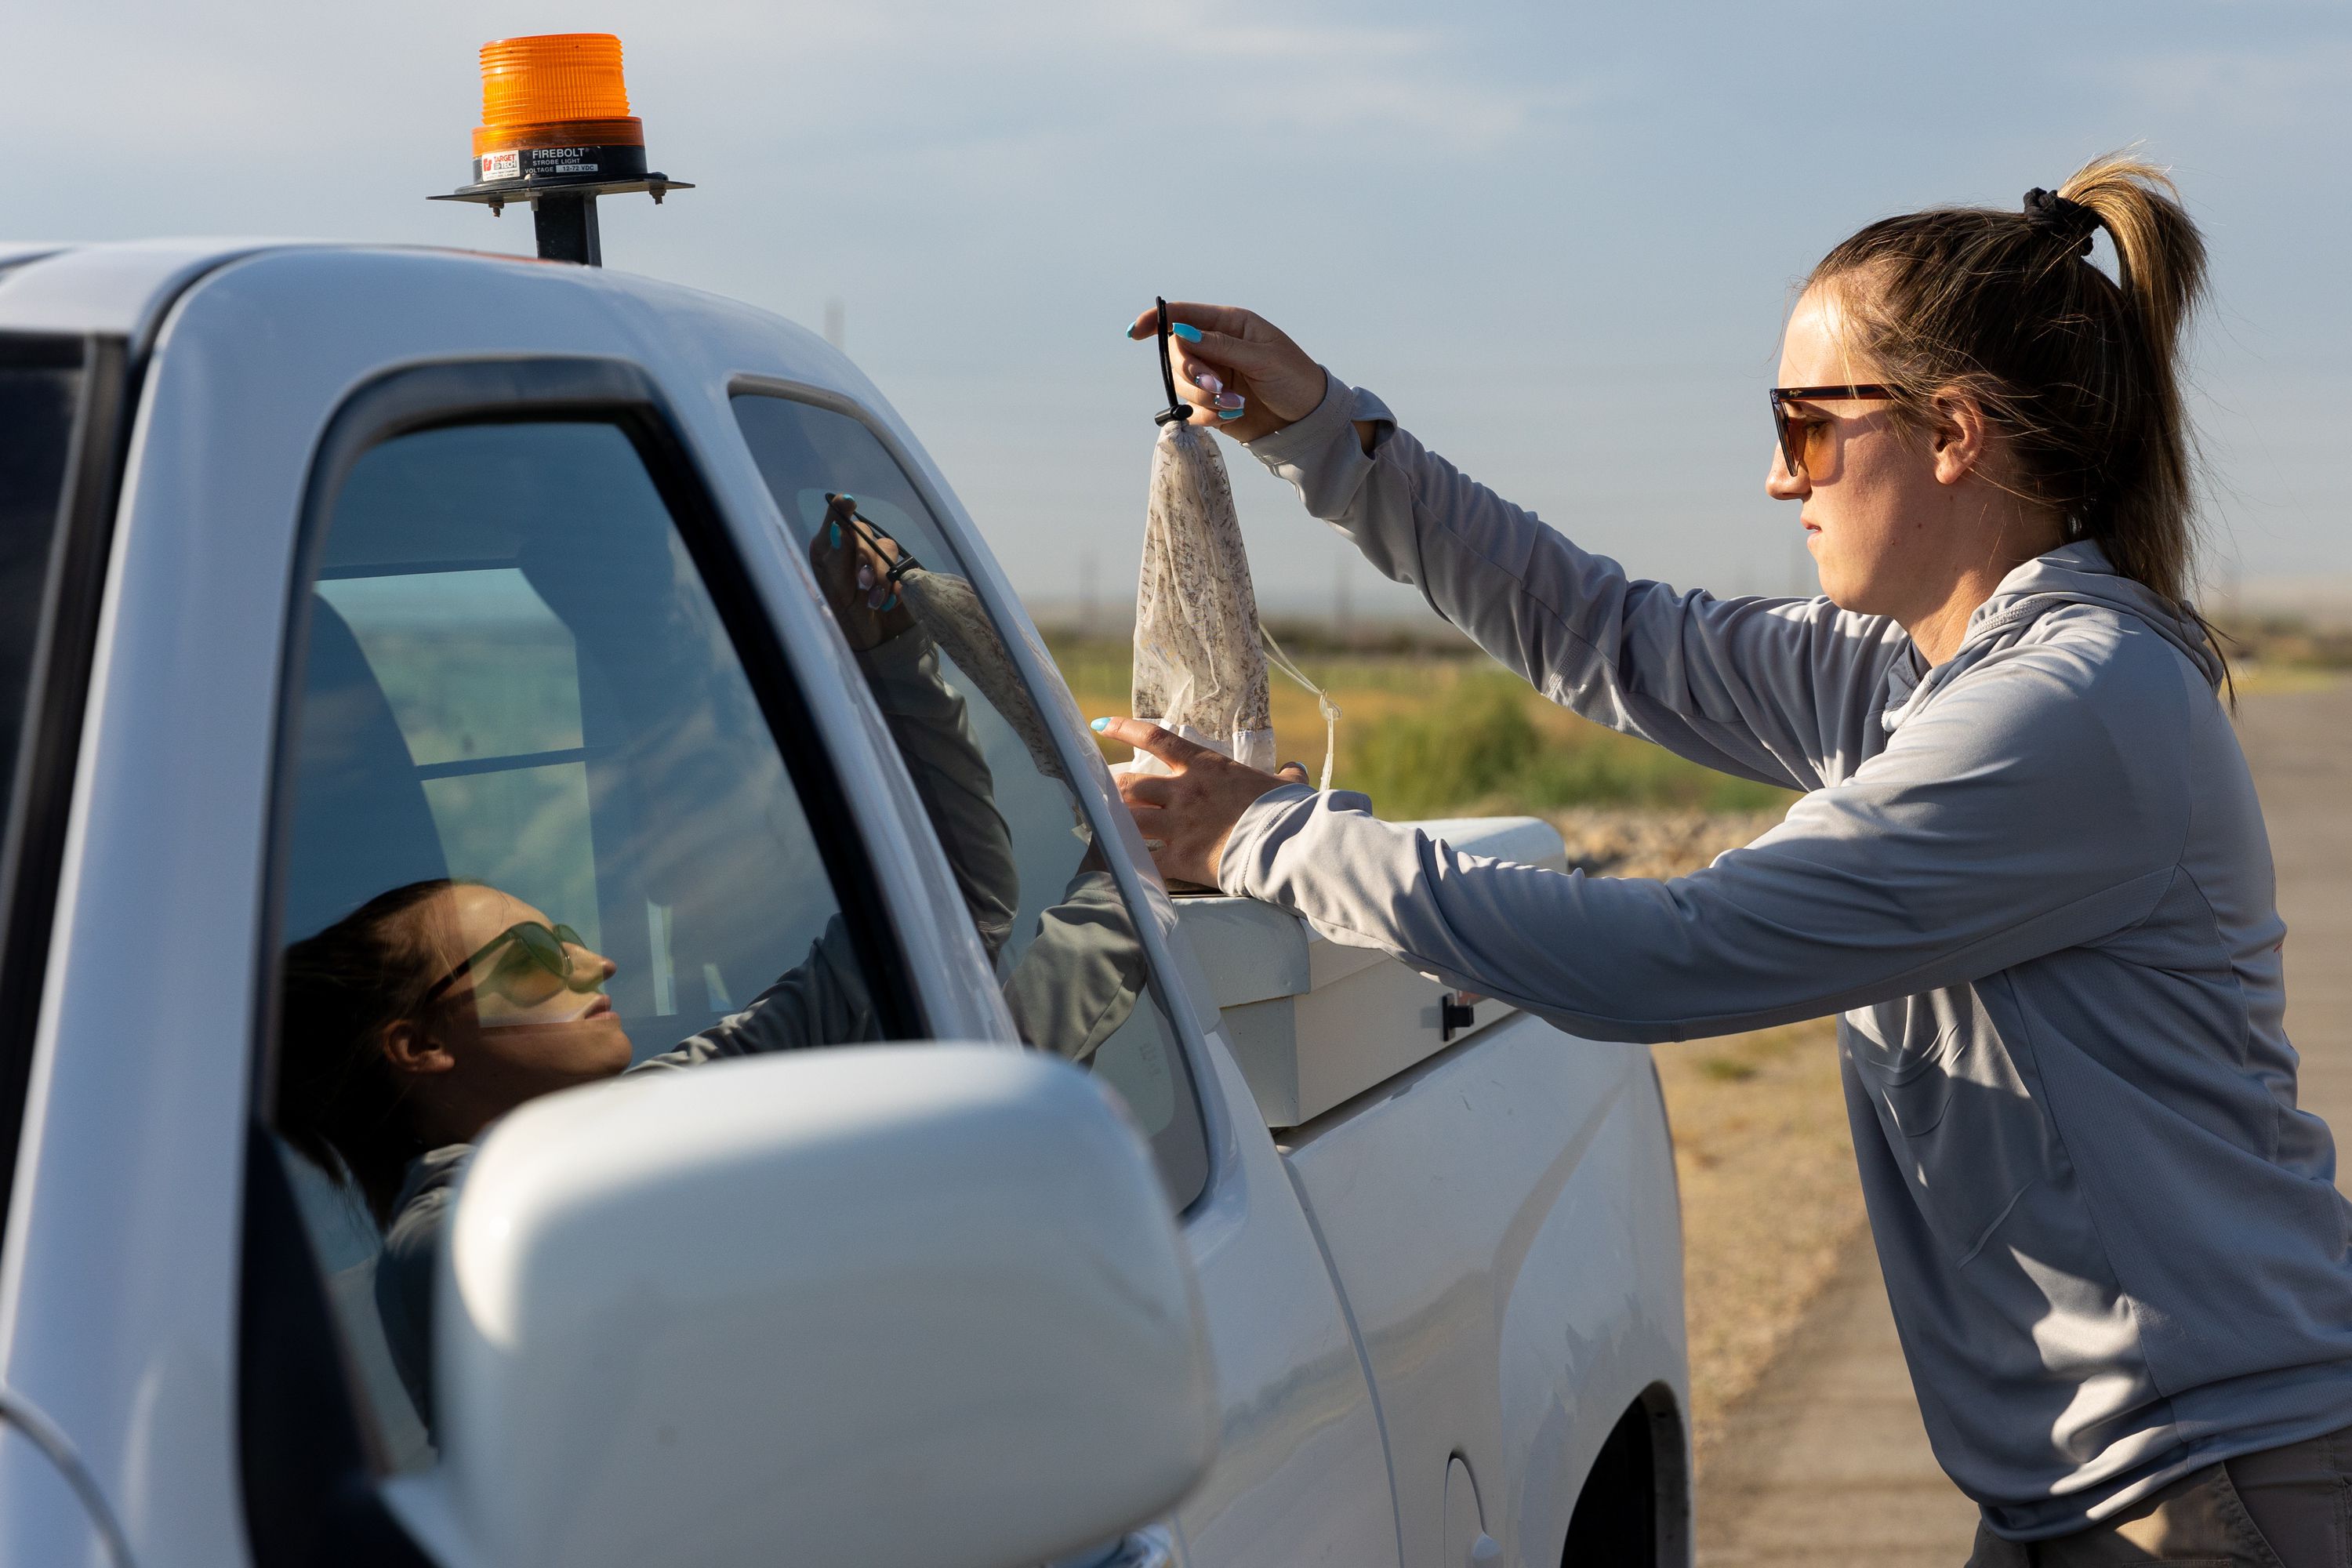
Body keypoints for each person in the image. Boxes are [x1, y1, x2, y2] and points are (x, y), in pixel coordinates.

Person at [1106, 154, 2352, 1565]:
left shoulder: (2070, 710)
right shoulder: (1921, 673)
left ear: (1951, 433)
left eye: (1806, 426)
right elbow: (1611, 634)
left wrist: (1261, 837)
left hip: (2220, 1491)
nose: (1777, 479)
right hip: (2110, 1491)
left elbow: (1667, 954)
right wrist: (1327, 433)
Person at [277, 516, 1146, 1430]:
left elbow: (952, 919)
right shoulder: (455, 1246)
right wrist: (1127, 896)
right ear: (418, 1045)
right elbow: (925, 1165)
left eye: (567, 933)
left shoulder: (645, 1113)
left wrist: (890, 658)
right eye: (536, 959)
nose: (596, 960)